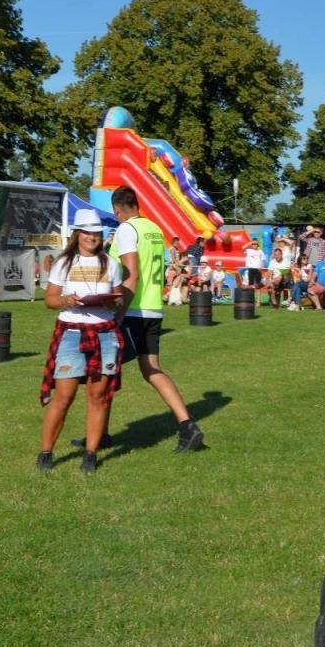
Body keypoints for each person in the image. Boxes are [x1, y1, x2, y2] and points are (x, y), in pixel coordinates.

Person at [84, 186, 204, 454]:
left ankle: (98, 434)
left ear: (118, 210)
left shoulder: (127, 230)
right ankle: (187, 425)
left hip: (132, 309)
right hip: (152, 308)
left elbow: (132, 274)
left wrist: (118, 314)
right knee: (151, 369)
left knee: (103, 370)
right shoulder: (154, 228)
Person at [37, 209, 124, 474]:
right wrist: (66, 300)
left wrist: (112, 300)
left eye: (96, 233)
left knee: (97, 396)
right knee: (64, 396)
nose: (92, 237)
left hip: (104, 334)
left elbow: (119, 298)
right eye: (87, 232)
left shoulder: (111, 264)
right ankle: (46, 452)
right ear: (78, 234)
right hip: (72, 333)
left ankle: (90, 454)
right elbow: (50, 300)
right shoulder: (64, 262)